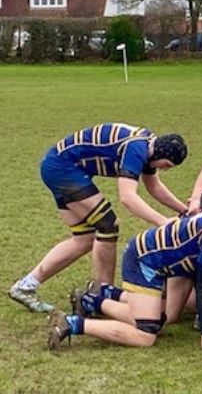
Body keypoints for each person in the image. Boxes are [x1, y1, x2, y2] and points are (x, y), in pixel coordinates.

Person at [48, 196, 202, 352]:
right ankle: (72, 324)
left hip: (176, 264)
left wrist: (199, 200)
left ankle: (95, 298)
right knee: (147, 334)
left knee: (170, 316)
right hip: (146, 260)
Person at [9, 124, 187, 314]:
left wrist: (183, 210)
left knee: (84, 239)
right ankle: (104, 295)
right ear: (160, 154)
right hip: (63, 169)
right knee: (108, 225)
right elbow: (128, 197)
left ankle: (25, 286)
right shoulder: (136, 150)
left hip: (57, 165)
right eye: (166, 165)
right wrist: (162, 221)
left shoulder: (149, 147)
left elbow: (154, 187)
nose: (165, 169)